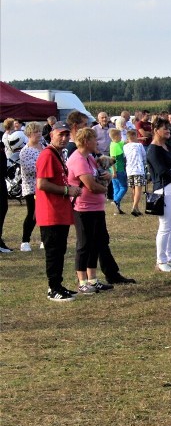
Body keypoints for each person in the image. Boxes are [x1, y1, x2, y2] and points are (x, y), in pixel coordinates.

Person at [36, 122, 85, 301]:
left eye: (66, 135)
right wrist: (66, 190)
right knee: (54, 251)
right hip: (50, 212)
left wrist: (69, 187)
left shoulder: (57, 154)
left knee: (60, 250)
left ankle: (58, 284)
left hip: (59, 211)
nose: (64, 138)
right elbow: (42, 183)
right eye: (60, 135)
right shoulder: (47, 155)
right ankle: (53, 288)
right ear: (51, 135)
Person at [66, 128, 115, 295]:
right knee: (84, 245)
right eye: (94, 139)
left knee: (96, 243)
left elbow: (101, 174)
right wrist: (104, 189)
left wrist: (107, 176)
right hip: (83, 209)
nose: (97, 142)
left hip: (96, 208)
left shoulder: (90, 158)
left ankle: (93, 280)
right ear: (86, 141)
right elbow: (91, 185)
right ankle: (82, 282)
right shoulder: (78, 159)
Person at [147, 118, 171, 272]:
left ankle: (170, 257)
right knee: (165, 226)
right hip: (163, 189)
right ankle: (160, 260)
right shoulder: (153, 149)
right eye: (164, 128)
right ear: (156, 130)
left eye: (168, 128)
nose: (168, 131)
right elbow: (161, 171)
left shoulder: (168, 146)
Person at [19, 122, 44, 251]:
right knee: (33, 214)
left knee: (44, 214)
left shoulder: (44, 147)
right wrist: (45, 167)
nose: (38, 134)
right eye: (35, 132)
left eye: (39, 131)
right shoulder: (25, 151)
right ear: (29, 134)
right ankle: (25, 241)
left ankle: (43, 240)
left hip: (45, 186)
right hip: (31, 187)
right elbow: (29, 169)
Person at [123, 129, 147, 216]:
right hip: (138, 169)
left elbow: (124, 157)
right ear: (135, 136)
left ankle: (136, 208)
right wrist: (144, 164)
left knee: (133, 189)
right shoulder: (139, 145)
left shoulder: (125, 146)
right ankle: (134, 206)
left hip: (129, 170)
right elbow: (144, 156)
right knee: (138, 189)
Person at [108, 128, 127, 215]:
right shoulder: (115, 147)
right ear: (115, 136)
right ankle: (116, 201)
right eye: (120, 135)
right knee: (124, 187)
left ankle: (117, 210)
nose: (121, 137)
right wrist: (114, 172)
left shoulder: (114, 143)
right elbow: (112, 161)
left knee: (116, 188)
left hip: (115, 171)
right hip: (118, 170)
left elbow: (124, 142)